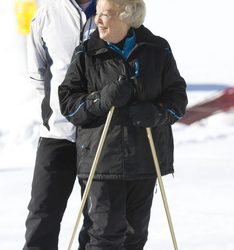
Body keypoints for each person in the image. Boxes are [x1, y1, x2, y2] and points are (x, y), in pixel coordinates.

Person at [59, 0, 188, 248]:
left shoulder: (156, 49)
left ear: (127, 17)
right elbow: (69, 103)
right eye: (97, 14)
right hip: (101, 160)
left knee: (134, 237)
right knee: (104, 236)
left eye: (106, 14)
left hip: (144, 158)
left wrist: (155, 113)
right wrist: (103, 99)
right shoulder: (87, 52)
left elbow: (177, 99)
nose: (98, 20)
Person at [23, 1, 96, 249]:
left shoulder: (114, 8)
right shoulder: (48, 11)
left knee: (98, 222)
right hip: (57, 133)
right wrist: (55, 107)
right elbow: (37, 72)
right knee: (42, 215)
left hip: (99, 136)